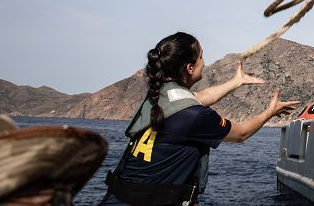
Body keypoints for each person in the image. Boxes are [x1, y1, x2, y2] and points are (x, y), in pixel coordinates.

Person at [101, 32, 299, 205]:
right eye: (202, 57)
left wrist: (235, 82)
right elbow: (241, 134)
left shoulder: (158, 97)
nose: (204, 61)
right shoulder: (195, 117)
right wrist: (269, 112)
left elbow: (203, 97)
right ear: (189, 68)